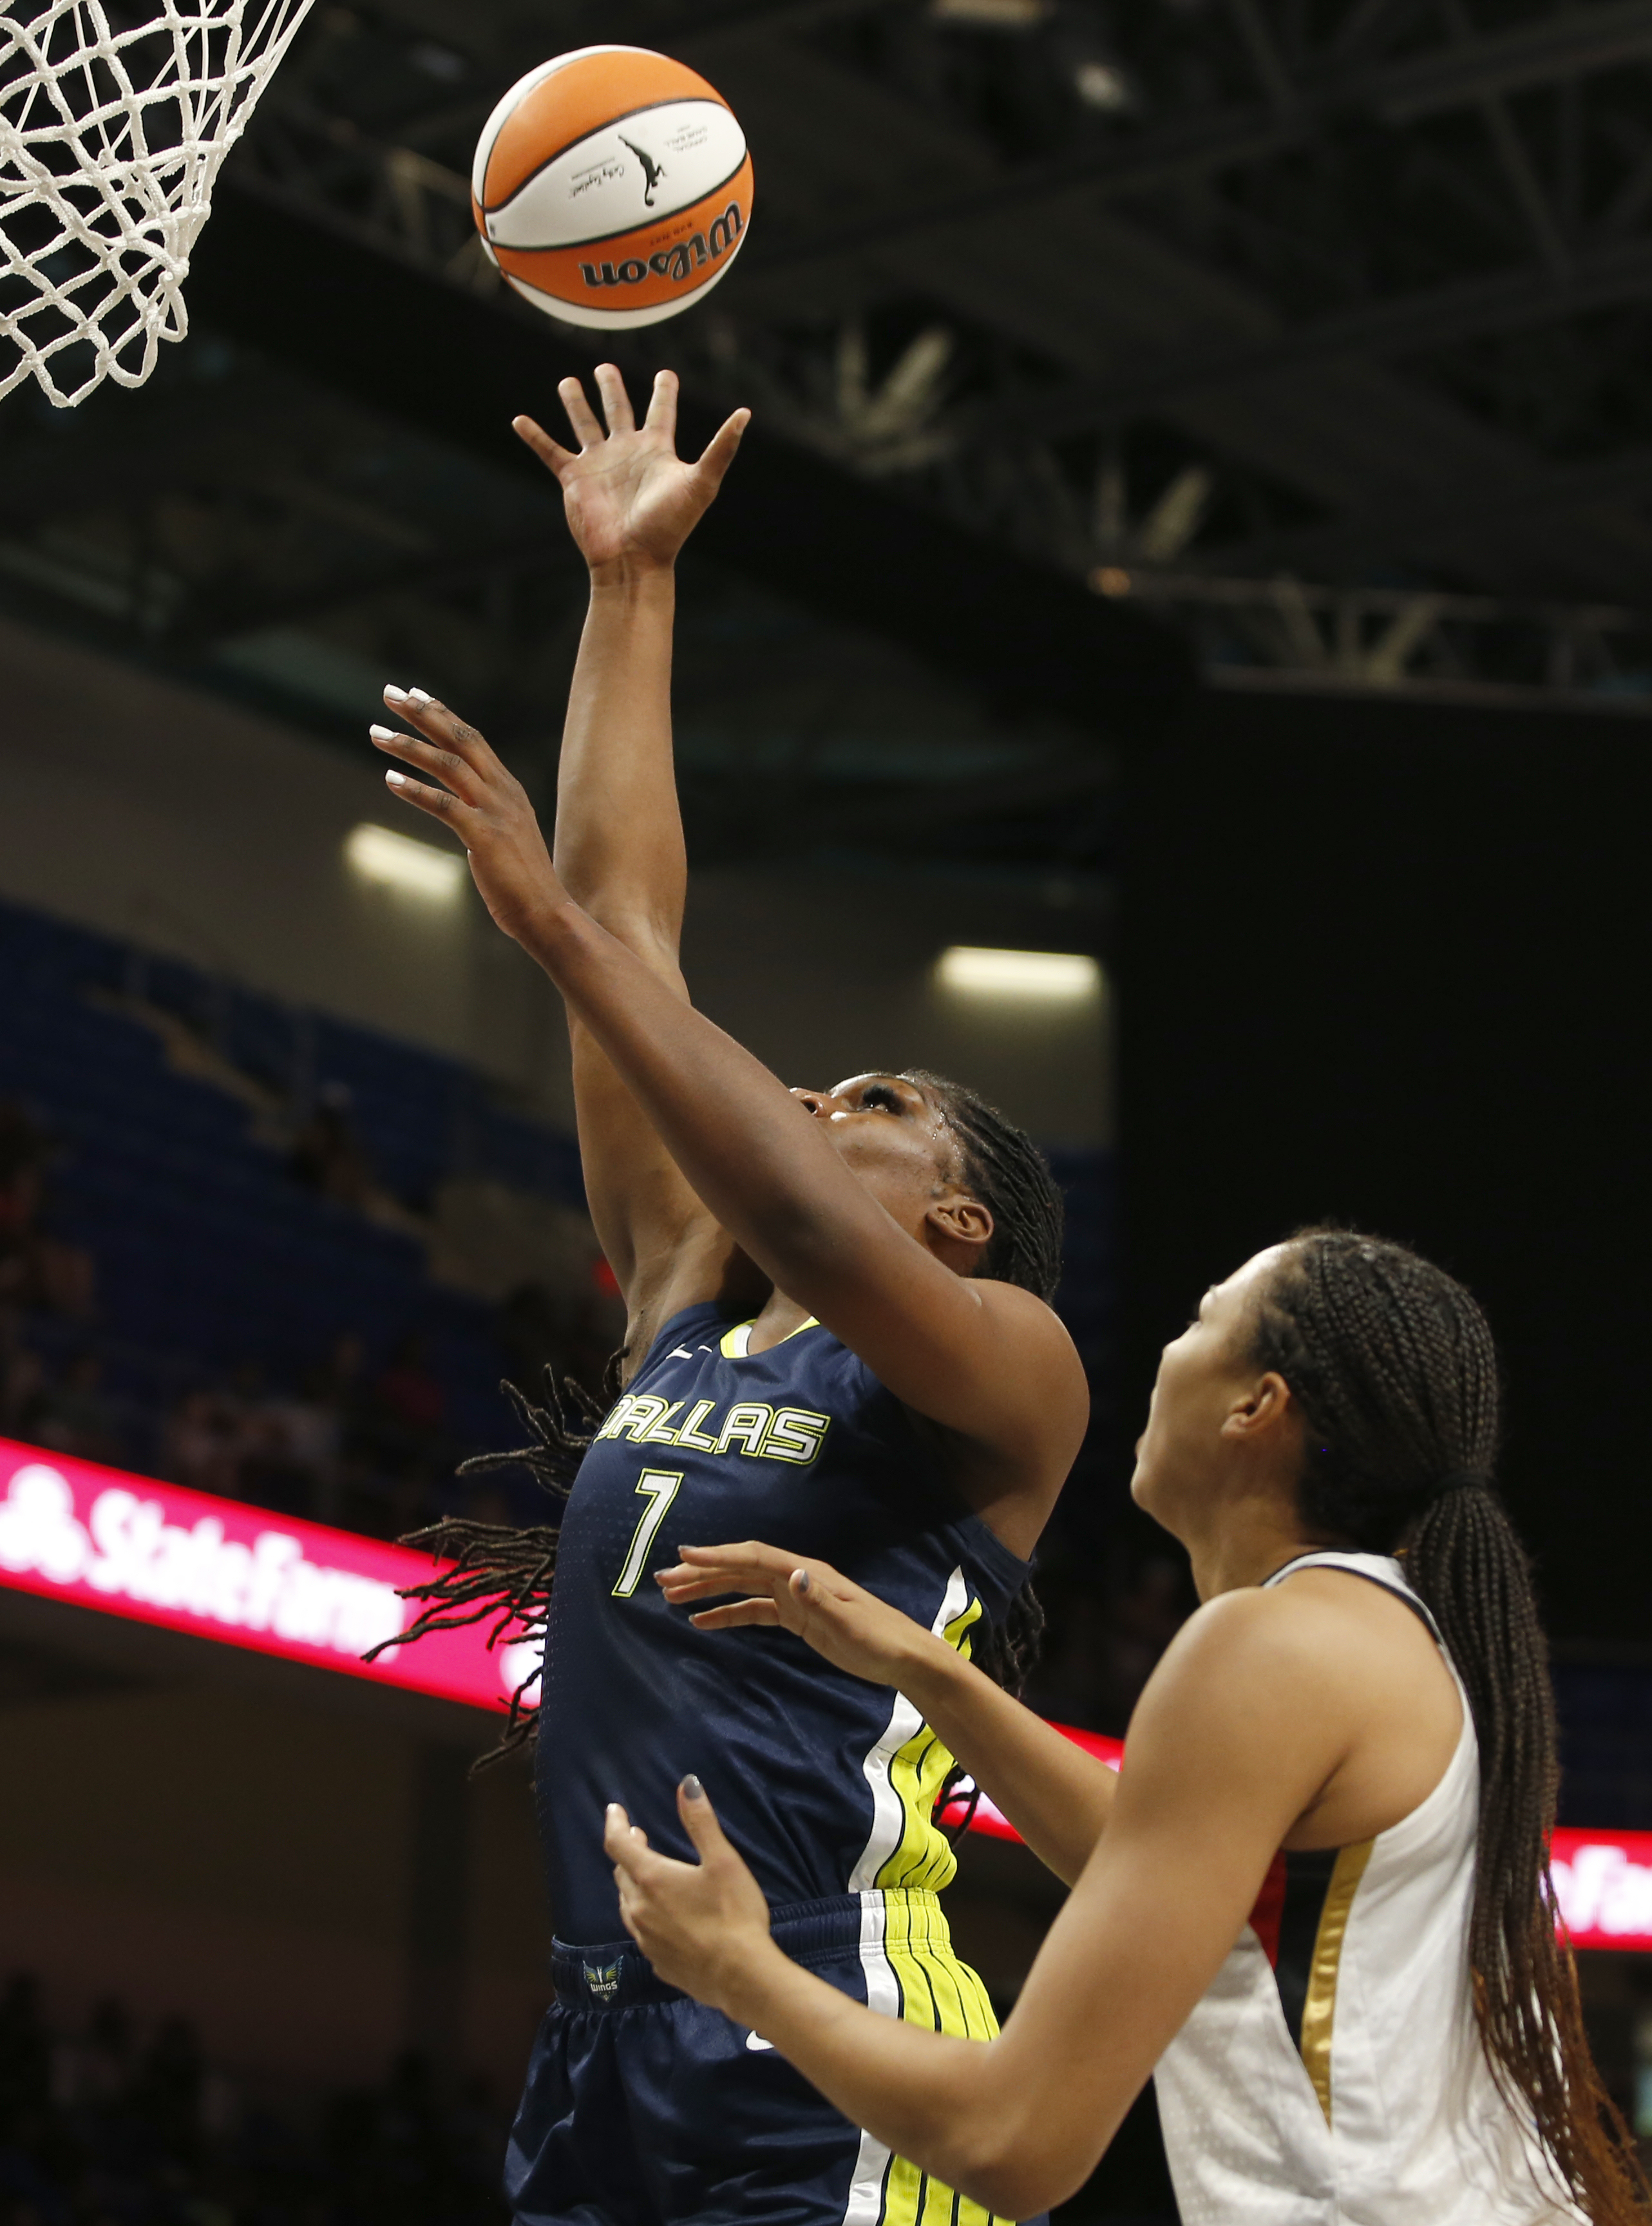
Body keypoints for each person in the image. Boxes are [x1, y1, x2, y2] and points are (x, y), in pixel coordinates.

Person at [374, 364, 1088, 2226]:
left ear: (963, 1228)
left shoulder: (1008, 1374)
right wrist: (630, 586)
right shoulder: (690, 1294)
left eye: (875, 1109)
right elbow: (630, 917)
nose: (811, 1102)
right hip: (603, 2027)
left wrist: (553, 938)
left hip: (829, 2023)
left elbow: (639, 998)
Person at [600, 1230, 1651, 2226]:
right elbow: (1165, 1861)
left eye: (1199, 1323)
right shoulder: (1386, 1631)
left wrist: (739, 1968)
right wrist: (919, 1662)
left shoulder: (1267, 1645)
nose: (1165, 1350)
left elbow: (1012, 2138)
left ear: (1256, 1406)